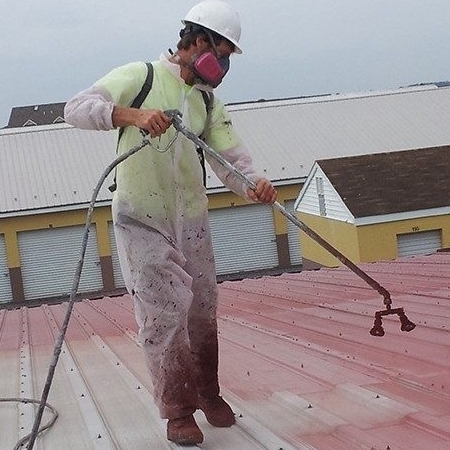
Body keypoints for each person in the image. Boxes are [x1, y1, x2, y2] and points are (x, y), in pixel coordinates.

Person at [64, 0, 277, 445]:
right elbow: (76, 108)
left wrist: (254, 184)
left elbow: (230, 157)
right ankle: (178, 411)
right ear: (196, 41)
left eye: (228, 56)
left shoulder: (205, 101)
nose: (222, 63)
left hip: (191, 221)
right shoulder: (140, 77)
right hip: (141, 218)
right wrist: (133, 115)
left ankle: (208, 392)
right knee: (164, 313)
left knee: (201, 308)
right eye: (220, 51)